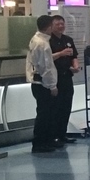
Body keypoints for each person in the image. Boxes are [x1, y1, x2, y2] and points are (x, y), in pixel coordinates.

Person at [25, 15, 59, 155]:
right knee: (45, 114)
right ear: (49, 27)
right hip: (43, 84)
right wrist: (52, 85)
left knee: (45, 113)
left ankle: (45, 141)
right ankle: (40, 143)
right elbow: (46, 67)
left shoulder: (35, 40)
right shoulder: (43, 44)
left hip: (38, 82)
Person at [50, 15, 80, 147]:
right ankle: (53, 136)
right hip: (54, 78)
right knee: (55, 107)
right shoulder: (48, 41)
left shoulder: (68, 40)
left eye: (62, 24)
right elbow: (46, 58)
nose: (60, 26)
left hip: (67, 77)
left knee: (66, 106)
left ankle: (62, 134)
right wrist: (61, 53)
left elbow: (74, 56)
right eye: (57, 24)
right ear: (51, 26)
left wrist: (76, 66)